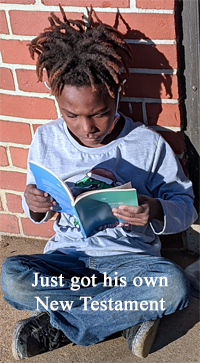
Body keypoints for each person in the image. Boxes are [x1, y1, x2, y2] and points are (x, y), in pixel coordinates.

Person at [1, 6, 198, 361]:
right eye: (71, 115)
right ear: (57, 101)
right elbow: (36, 203)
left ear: (117, 93)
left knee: (173, 286)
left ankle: (61, 326)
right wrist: (35, 204)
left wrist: (153, 209)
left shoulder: (147, 144)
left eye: (99, 113)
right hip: (69, 261)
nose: (86, 127)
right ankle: (127, 312)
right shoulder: (46, 140)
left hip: (132, 262)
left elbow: (185, 208)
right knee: (12, 277)